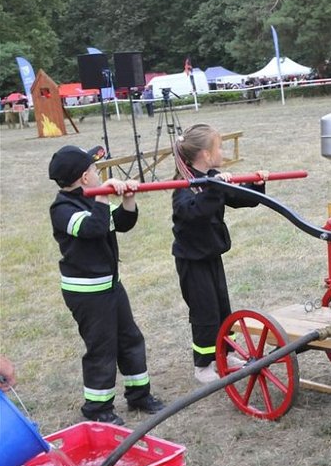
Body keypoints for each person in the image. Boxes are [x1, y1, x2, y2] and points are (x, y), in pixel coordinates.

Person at [49, 145, 165, 425]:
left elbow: (120, 223)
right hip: (87, 292)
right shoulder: (62, 209)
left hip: (111, 285)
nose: (99, 175)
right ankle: (97, 408)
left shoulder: (91, 200)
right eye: (95, 170)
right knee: (102, 348)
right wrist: (102, 195)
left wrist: (128, 200)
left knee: (130, 338)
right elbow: (93, 228)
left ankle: (139, 395)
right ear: (84, 177)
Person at [170, 124, 269, 384]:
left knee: (222, 307)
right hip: (192, 261)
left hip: (211, 255)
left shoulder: (213, 177)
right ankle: (203, 364)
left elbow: (241, 198)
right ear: (205, 154)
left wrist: (256, 185)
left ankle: (225, 353)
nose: (222, 152)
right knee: (205, 312)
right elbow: (194, 212)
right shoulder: (184, 186)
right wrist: (215, 188)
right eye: (219, 147)